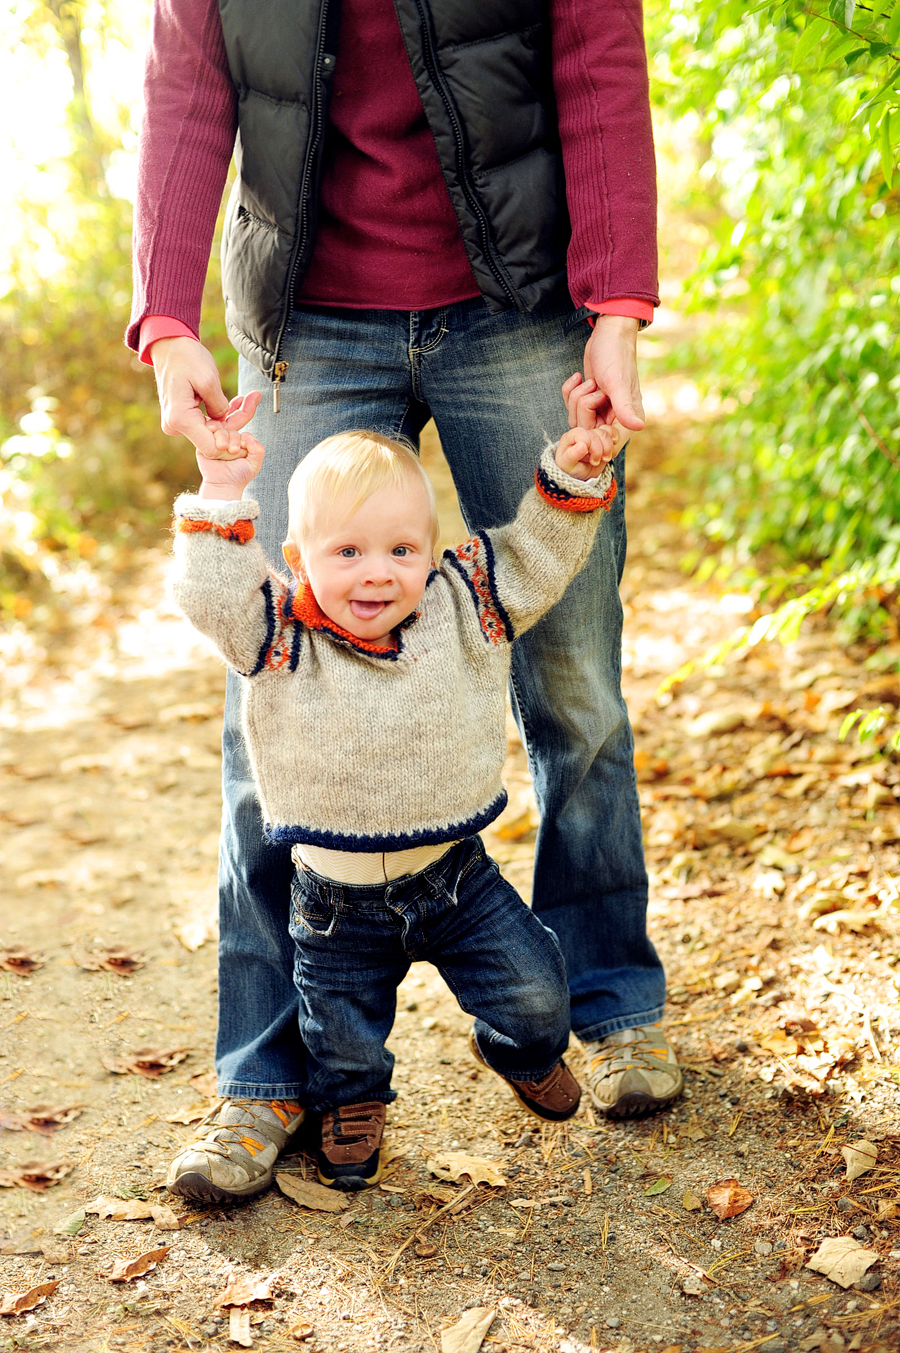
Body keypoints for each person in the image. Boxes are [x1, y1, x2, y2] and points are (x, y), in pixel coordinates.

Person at [130, 0, 682, 1203]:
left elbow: (598, 60)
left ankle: (612, 1001)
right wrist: (167, 317)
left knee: (575, 678)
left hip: (520, 306)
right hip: (304, 323)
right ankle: (266, 1073)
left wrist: (618, 303)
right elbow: (189, 85)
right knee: (262, 706)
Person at [170, 410, 618, 1193]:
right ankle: (354, 1103)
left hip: (457, 881)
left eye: (402, 550)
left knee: (541, 997)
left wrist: (575, 474)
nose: (378, 573)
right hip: (332, 901)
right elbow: (208, 594)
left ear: (431, 551)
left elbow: (537, 557)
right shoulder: (276, 633)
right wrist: (221, 489)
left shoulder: (463, 606)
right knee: (340, 1035)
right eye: (347, 552)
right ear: (296, 558)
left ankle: (516, 1050)